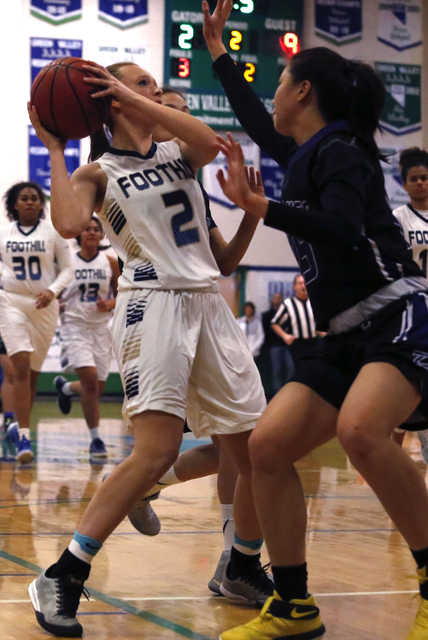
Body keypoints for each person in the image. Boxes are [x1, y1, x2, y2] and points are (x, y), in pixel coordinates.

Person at [203, 2, 428, 638]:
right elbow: (252, 117)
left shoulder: (345, 152)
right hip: (345, 331)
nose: (272, 94)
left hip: (395, 314)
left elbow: (346, 230)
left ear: (303, 91)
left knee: (361, 433)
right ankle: (295, 605)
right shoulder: (305, 150)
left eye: (279, 83)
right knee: (266, 447)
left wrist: (263, 207)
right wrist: (218, 51)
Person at [27, 58, 271, 638]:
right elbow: (66, 222)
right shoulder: (99, 172)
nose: (154, 93)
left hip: (208, 303)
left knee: (257, 449)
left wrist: (135, 97)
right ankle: (63, 574)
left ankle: (240, 562)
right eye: (143, 84)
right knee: (156, 450)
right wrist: (57, 150)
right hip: (151, 301)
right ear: (110, 100)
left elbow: (208, 140)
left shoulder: (177, 152)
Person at [125, 84, 265, 596]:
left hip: (207, 312)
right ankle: (232, 557)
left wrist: (253, 209)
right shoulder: (123, 171)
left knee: (241, 442)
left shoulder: (193, 190)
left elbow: (224, 263)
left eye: (187, 113)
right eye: (171, 111)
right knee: (225, 445)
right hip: (159, 316)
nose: (185, 122)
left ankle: (231, 556)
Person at [0, 181, 73, 464]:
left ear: (42, 204)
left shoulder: (52, 232)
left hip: (44, 305)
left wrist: (52, 291)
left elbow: (68, 269)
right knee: (19, 369)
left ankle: (20, 427)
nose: (30, 202)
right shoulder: (4, 233)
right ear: (15, 204)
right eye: (25, 198)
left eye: (35, 198)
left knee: (30, 375)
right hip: (11, 302)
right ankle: (24, 439)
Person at [54, 216, 120, 459]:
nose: (92, 232)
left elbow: (121, 294)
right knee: (91, 381)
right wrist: (56, 303)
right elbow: (54, 292)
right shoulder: (67, 263)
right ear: (79, 235)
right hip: (74, 326)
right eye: (87, 229)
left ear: (101, 235)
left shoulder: (110, 262)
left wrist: (110, 303)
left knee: (97, 387)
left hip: (101, 328)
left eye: (96, 229)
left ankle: (67, 388)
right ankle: (96, 440)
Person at [391, 148, 428, 462]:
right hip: (412, 309)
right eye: (414, 179)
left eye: (425, 178)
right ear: (404, 184)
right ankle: (390, 461)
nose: (420, 183)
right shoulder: (397, 219)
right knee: (406, 389)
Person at [271, 274, 319, 368]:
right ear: (294, 287)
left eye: (305, 283)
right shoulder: (288, 304)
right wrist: (285, 336)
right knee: (300, 371)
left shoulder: (313, 302)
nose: (303, 286)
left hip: (314, 343)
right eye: (300, 283)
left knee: (314, 370)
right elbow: (274, 323)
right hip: (298, 345)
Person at [262, 292, 293, 395]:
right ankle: (278, 392)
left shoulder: (287, 315)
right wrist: (269, 345)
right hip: (274, 346)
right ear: (271, 300)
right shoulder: (267, 316)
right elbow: (265, 332)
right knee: (276, 370)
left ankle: (287, 391)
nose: (277, 300)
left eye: (279, 298)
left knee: (291, 367)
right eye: (275, 298)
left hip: (286, 344)